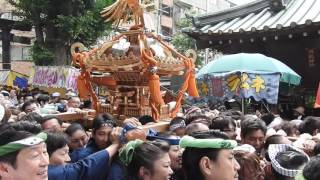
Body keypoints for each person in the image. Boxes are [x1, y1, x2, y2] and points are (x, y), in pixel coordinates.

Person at [48, 127, 123, 180]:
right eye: (63, 154)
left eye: (109, 134)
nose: (68, 159)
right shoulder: (50, 173)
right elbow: (83, 167)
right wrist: (116, 144)